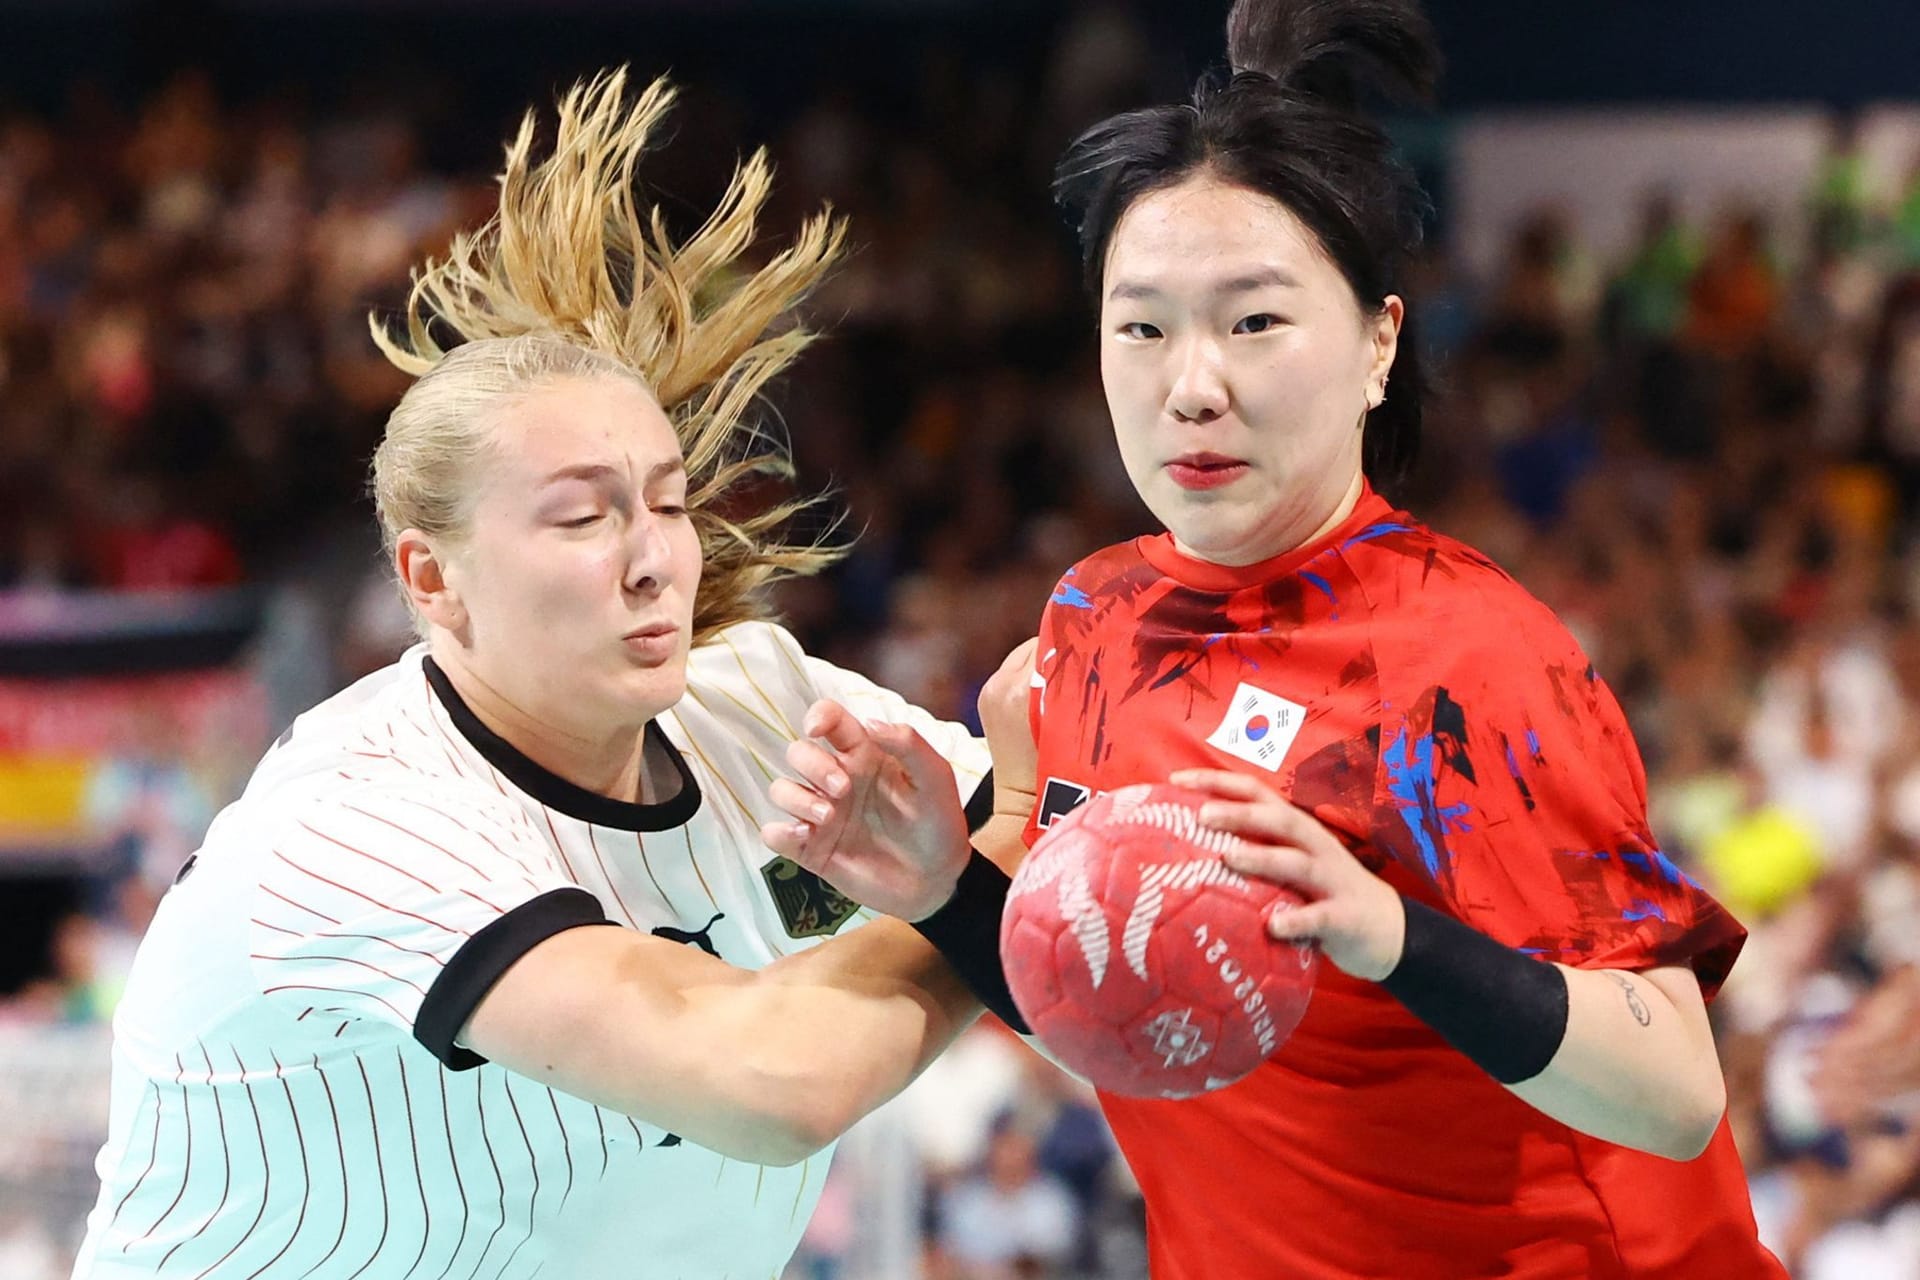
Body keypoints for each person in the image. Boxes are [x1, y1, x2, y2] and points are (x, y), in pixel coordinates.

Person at [765, 2, 1790, 1275]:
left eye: (1254, 321)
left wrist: (1381, 928)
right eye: (1141, 326)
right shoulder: (1093, 620)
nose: (1192, 382)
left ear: (1378, 342)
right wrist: (942, 887)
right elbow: (1141, 1014)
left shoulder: (1471, 664)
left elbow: (1675, 1084)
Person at [70, 71, 1033, 1279]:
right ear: (432, 579)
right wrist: (965, 884)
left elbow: (1068, 919)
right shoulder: (355, 822)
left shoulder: (763, 703)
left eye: (671, 503)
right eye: (581, 519)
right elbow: (776, 1079)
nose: (652, 560)